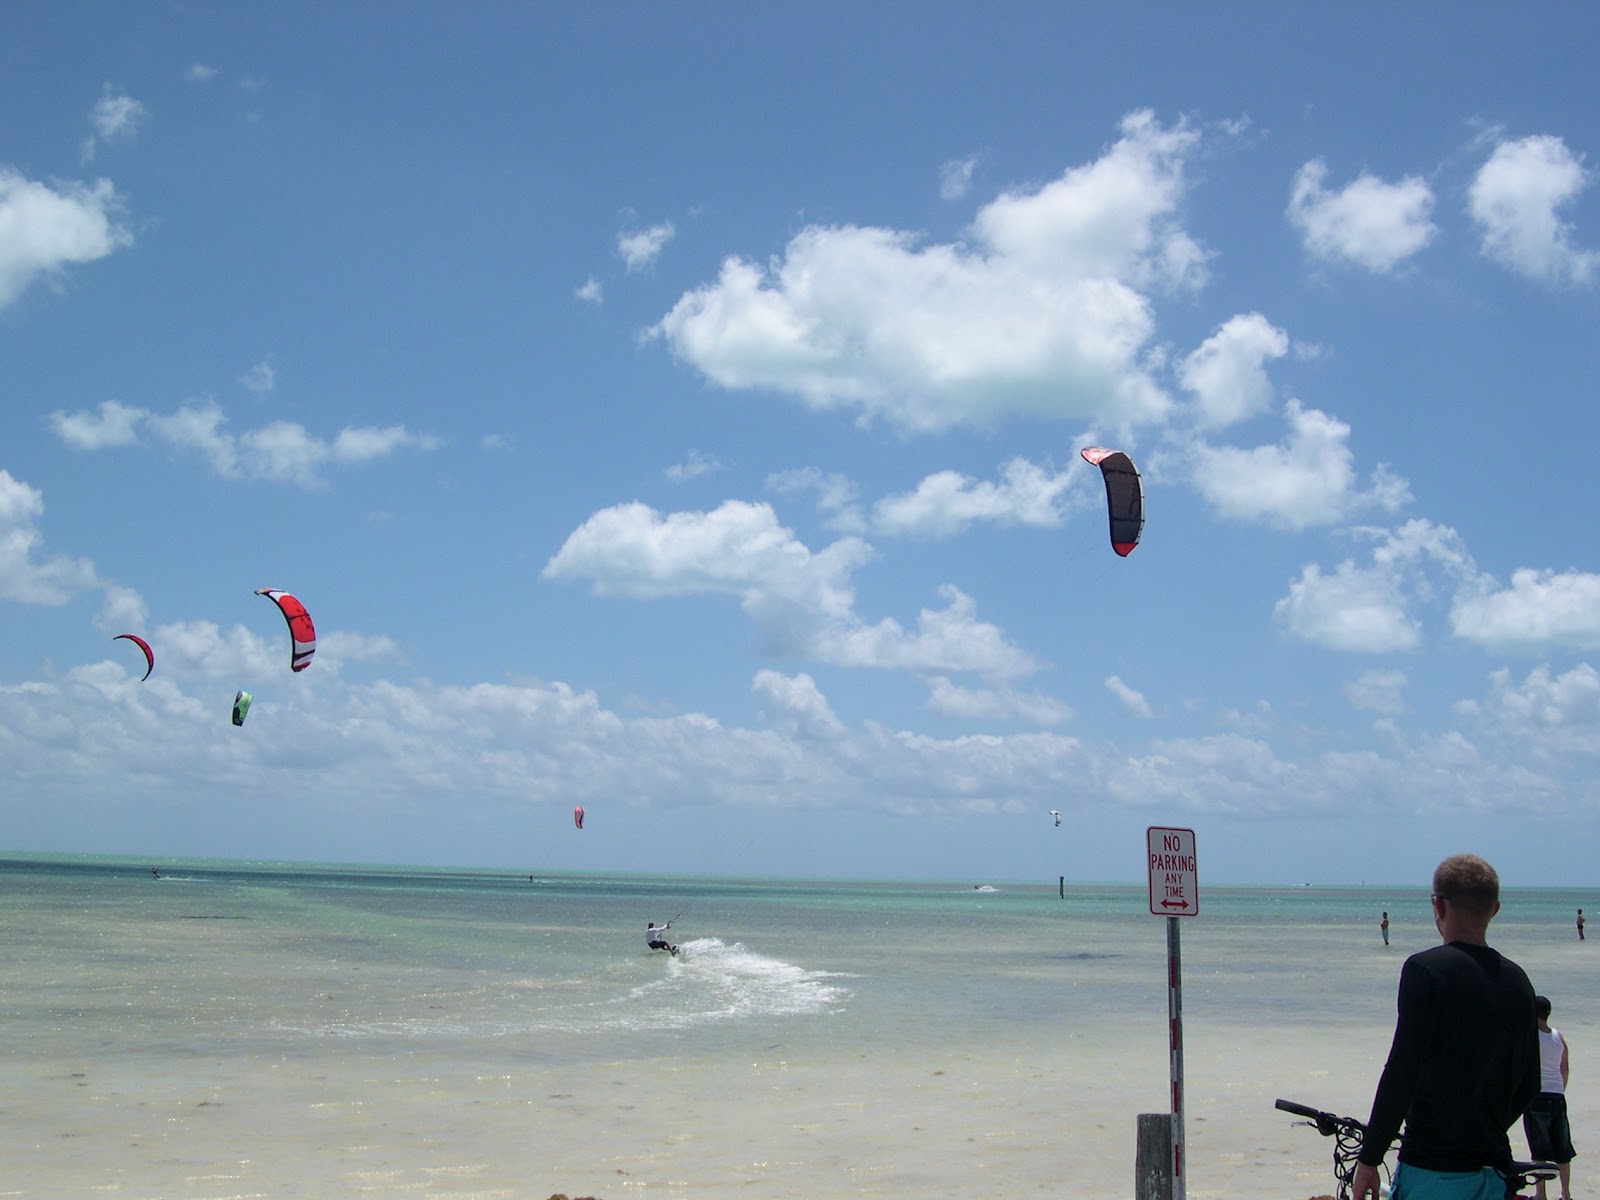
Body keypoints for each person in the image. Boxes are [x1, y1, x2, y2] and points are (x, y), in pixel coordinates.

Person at [1351, 854, 1539, 1200]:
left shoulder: (1425, 970)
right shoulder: (1518, 981)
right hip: (1495, 1170)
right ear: (1494, 909)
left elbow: (1401, 1071)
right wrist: (1486, 1129)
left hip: (1433, 1169)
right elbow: (1530, 1083)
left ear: (1437, 905)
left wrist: (1369, 1158)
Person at [1522, 994, 1575, 1200]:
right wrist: (1559, 1090)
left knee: (1539, 1150)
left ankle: (1541, 1195)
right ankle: (1566, 1194)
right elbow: (1565, 1068)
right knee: (1563, 1149)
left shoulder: (1529, 1036)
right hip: (1558, 1098)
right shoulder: (1557, 1036)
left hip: (1536, 1098)